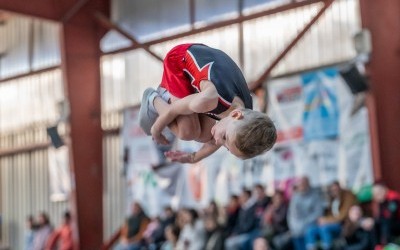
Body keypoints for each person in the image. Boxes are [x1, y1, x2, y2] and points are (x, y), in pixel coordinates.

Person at [139, 43, 277, 163]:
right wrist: (156, 130)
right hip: (179, 61)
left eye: (226, 147)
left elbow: (215, 140)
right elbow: (173, 110)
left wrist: (194, 158)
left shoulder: (243, 116)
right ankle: (153, 98)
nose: (218, 141)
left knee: (205, 135)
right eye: (224, 138)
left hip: (207, 63)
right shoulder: (209, 99)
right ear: (235, 115)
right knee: (186, 131)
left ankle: (176, 100)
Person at [305, 181, 356, 250]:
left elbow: (342, 215)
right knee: (310, 230)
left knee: (324, 228)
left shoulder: (347, 197)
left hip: (342, 224)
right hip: (331, 223)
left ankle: (327, 247)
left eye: (336, 189)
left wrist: (326, 220)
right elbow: (328, 214)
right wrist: (323, 220)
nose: (335, 191)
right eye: (332, 190)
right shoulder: (332, 200)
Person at [288, 177, 324, 250]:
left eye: (304, 184)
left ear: (308, 184)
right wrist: (293, 226)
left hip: (310, 226)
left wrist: (304, 223)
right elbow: (291, 214)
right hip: (296, 229)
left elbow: (318, 213)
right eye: (300, 184)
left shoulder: (315, 196)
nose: (302, 186)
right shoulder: (295, 197)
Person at [372, 181, 400, 246]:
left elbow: (391, 216)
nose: (376, 196)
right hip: (392, 223)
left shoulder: (393, 198)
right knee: (375, 224)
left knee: (385, 223)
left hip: (396, 222)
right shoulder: (382, 200)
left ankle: (387, 245)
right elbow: (380, 217)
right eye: (374, 194)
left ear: (384, 189)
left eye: (377, 193)